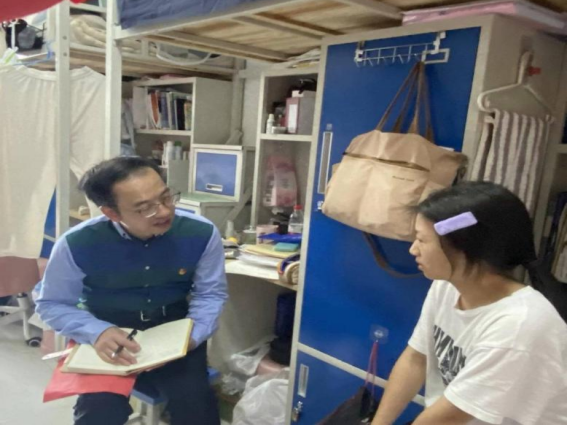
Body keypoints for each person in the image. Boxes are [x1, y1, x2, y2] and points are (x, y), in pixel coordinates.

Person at [36, 157, 228, 426]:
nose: (164, 211)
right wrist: (97, 332)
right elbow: (52, 303)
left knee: (196, 409)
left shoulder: (201, 233)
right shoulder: (76, 243)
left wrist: (191, 338)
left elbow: (210, 294)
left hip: (175, 331)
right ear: (111, 213)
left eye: (166, 197)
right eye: (145, 208)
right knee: (98, 412)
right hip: (107, 332)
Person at [372, 182, 567, 425]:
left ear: (465, 248)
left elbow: (450, 416)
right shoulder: (447, 286)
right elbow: (415, 359)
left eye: (422, 240)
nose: (413, 250)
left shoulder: (519, 326)